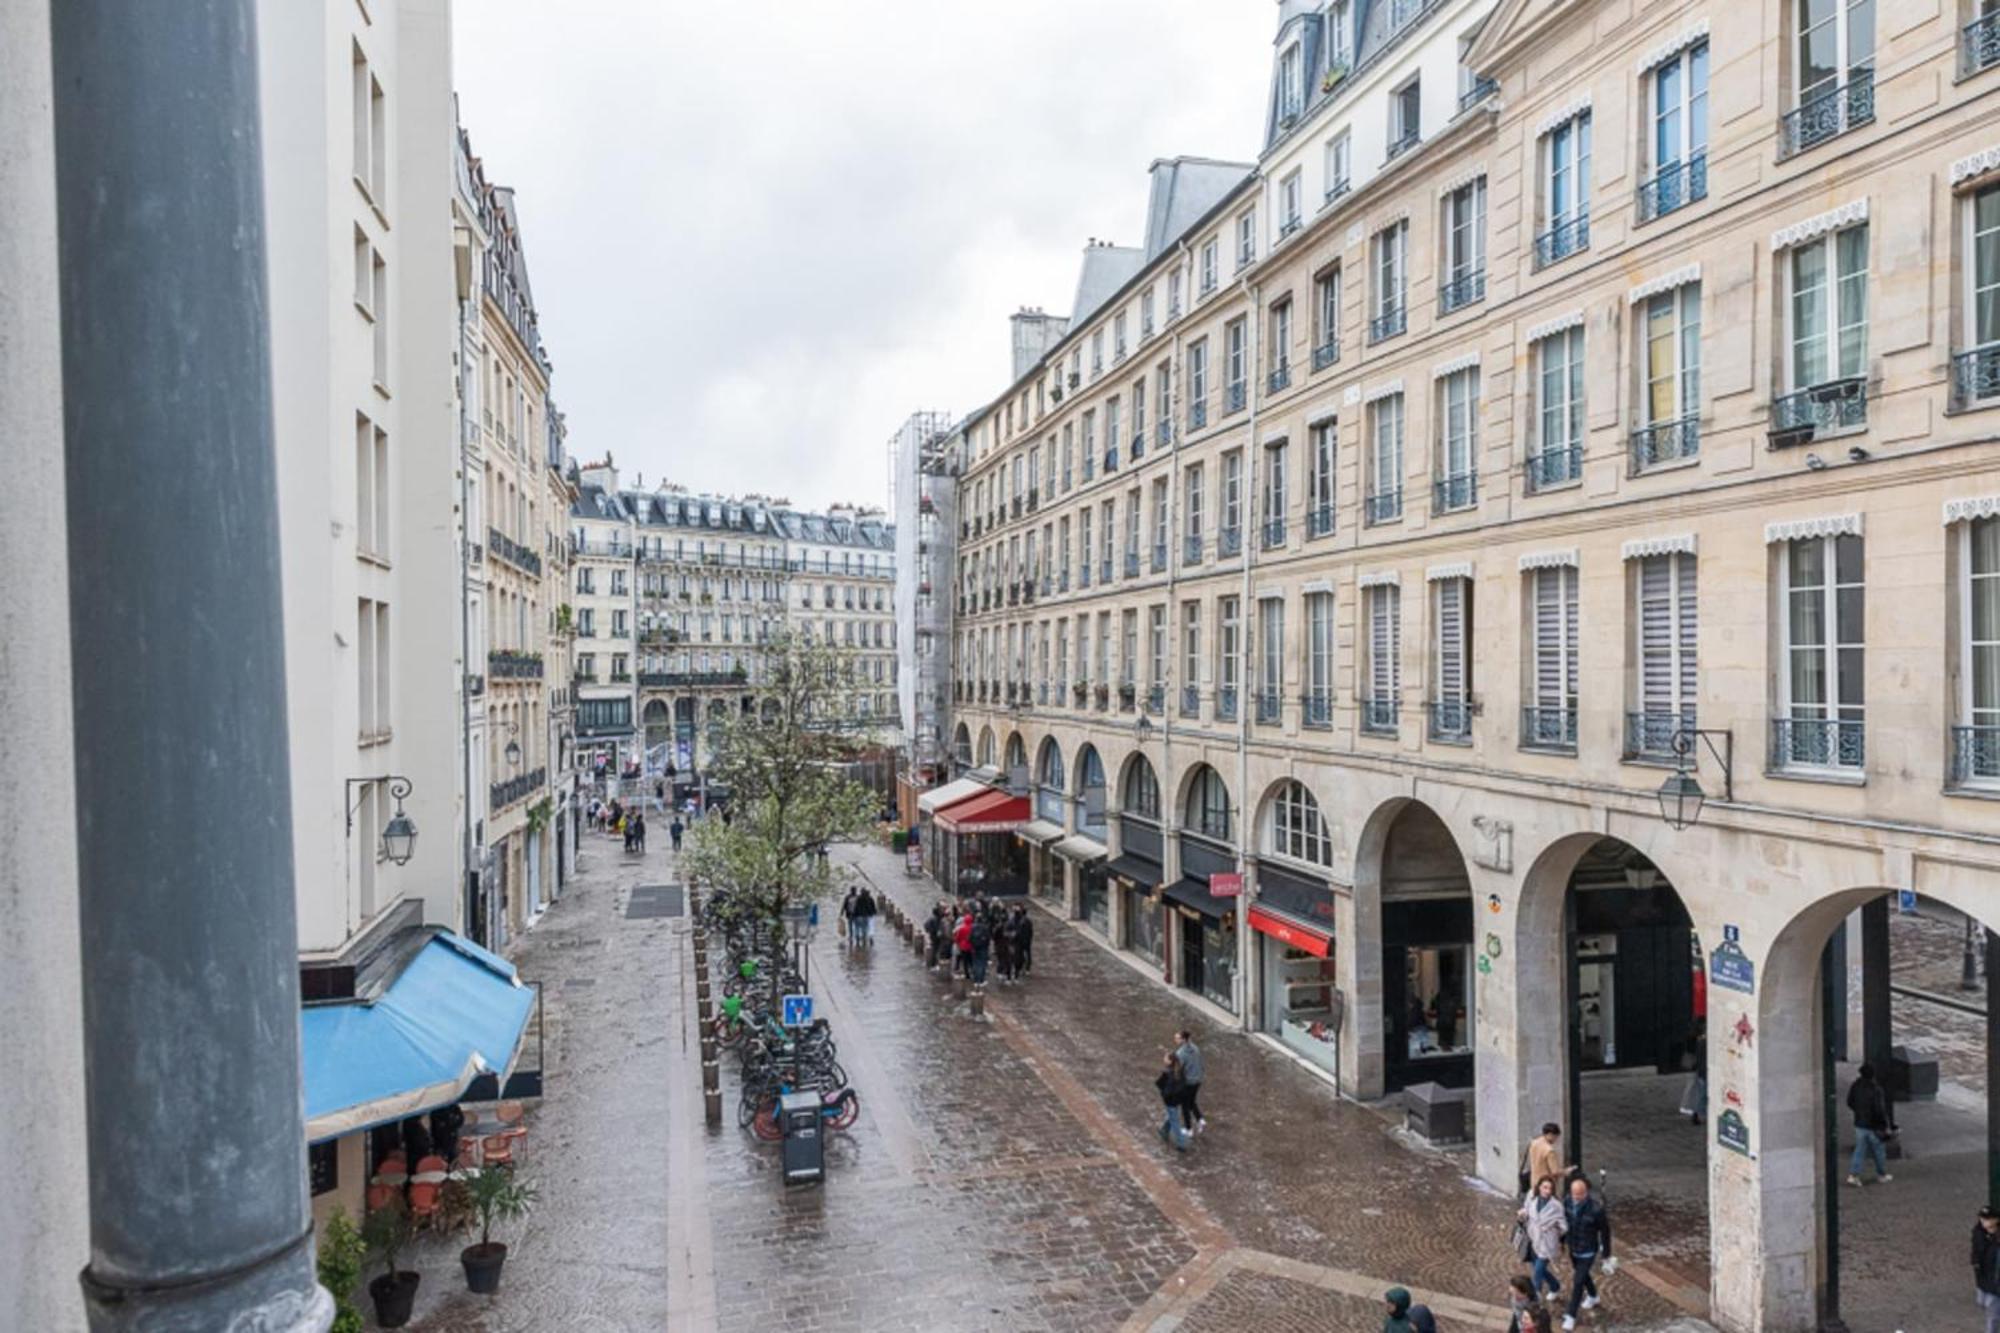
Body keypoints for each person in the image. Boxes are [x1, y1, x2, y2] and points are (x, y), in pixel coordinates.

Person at [1560, 1176, 1611, 1330]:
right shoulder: (1567, 1202)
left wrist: (1606, 1254)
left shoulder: (1596, 1209)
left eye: (1580, 1194)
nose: (1576, 1197)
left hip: (1588, 1251)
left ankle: (1571, 1315)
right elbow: (1563, 1222)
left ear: (1586, 1193)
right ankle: (1594, 1296)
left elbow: (1605, 1231)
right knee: (1583, 1276)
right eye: (1574, 1194)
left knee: (1577, 1282)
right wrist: (1561, 1242)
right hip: (1574, 1247)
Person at [1846, 1063, 1896, 1186]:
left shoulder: (1855, 1086)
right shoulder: (1876, 1089)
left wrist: (1858, 1112)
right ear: (1873, 1075)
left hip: (1859, 1123)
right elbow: (1880, 1110)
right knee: (1879, 1151)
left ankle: (1853, 1175)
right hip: (1874, 1126)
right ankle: (1881, 1174)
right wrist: (1886, 1125)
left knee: (1859, 1150)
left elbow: (1850, 1102)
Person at [1519, 1176, 1567, 1304]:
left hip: (1547, 1243)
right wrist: (1523, 1214)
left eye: (1550, 1188)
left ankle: (1534, 1302)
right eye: (1545, 1187)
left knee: (1537, 1274)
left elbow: (1564, 1227)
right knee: (1538, 1268)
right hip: (1534, 1240)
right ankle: (1555, 1286)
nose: (1547, 1191)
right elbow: (1528, 1211)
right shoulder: (1533, 1199)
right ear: (1539, 1187)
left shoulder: (1556, 1206)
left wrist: (1552, 1229)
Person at [1155, 1052, 1190, 1151]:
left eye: (1165, 1058)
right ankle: (1164, 1130)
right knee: (1172, 1115)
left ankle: (1181, 1143)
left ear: (1170, 1061)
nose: (1163, 1059)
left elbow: (1167, 1091)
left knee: (1175, 1121)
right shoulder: (1180, 1071)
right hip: (1178, 1099)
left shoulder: (1168, 1073)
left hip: (1170, 1101)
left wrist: (1164, 1094)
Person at [1174, 1030, 1206, 1134]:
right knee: (1191, 1101)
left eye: (1177, 1038)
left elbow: (1178, 1070)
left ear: (1183, 1040)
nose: (1175, 1040)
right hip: (1198, 1080)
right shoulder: (1195, 1048)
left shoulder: (1180, 1053)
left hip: (1188, 1082)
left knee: (1185, 1105)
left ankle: (1188, 1129)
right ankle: (1200, 1119)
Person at [1974, 1205, 2000, 1332]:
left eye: (1988, 1219)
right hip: (1983, 1277)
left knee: (1992, 1315)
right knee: (1982, 1302)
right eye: (1983, 1219)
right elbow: (1977, 1250)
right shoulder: (1979, 1231)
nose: (1984, 1222)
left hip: (1995, 1283)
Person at [1524, 1123, 1565, 1196]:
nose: (1556, 1140)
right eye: (1555, 1137)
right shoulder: (1549, 1150)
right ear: (1550, 1134)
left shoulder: (1534, 1143)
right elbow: (1555, 1171)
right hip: (1547, 1184)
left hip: (1534, 1181)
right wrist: (1565, 1172)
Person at [969, 908, 992, 984]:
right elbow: (988, 938)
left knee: (975, 963)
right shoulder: (985, 927)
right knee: (982, 964)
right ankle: (981, 980)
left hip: (974, 948)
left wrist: (972, 945)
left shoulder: (972, 927)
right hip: (983, 948)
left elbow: (969, 938)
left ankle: (976, 980)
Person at [1015, 907, 1034, 976]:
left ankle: (1023, 968)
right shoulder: (1029, 921)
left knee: (1021, 955)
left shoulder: (1021, 921)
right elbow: (1031, 932)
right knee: (1027, 954)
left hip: (1021, 941)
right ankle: (1027, 969)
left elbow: (1019, 932)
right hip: (1027, 941)